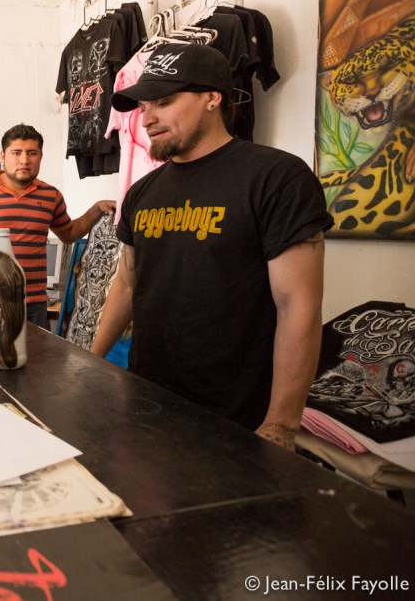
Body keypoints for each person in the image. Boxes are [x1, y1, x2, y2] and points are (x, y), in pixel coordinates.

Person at [89, 42, 332, 452]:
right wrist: (90, 362)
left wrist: (281, 424)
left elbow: (299, 305)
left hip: (236, 417)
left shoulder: (276, 178)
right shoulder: (141, 193)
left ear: (212, 98)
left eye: (163, 102)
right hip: (149, 404)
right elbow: (127, 285)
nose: (147, 118)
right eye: (144, 106)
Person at [0, 124, 115, 330]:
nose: (24, 160)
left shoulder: (51, 196)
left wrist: (96, 208)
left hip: (35, 303)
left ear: (40, 156)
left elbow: (68, 234)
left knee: (39, 361)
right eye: (16, 153)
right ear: (3, 156)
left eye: (32, 153)